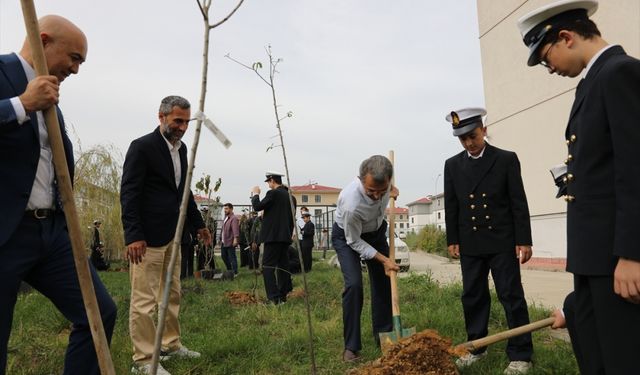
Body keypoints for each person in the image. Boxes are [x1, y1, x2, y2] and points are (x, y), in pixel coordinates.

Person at [517, 1, 640, 373]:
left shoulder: (619, 73)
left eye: (544, 57)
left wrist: (633, 254)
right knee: (595, 353)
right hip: (594, 258)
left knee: (623, 358)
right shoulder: (593, 81)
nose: (548, 68)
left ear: (566, 37)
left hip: (617, 258)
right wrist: (575, 302)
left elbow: (634, 169)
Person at [0, 15, 117, 375]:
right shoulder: (6, 76)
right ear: (43, 40)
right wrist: (20, 104)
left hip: (50, 234)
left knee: (98, 312)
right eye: (75, 58)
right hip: (5, 233)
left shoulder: (51, 98)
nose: (76, 69)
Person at [121, 95, 212, 375]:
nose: (183, 127)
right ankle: (145, 359)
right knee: (144, 300)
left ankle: (171, 345)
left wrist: (198, 224)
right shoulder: (142, 148)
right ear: (161, 117)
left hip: (173, 236)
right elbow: (129, 193)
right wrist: (133, 235)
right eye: (177, 121)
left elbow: (183, 192)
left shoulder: (181, 150)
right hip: (146, 239)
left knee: (172, 294)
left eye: (186, 121)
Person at [443, 108, 534, 374]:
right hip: (470, 241)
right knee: (472, 296)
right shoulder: (452, 165)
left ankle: (521, 354)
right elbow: (452, 206)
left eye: (472, 136)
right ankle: (476, 347)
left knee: (511, 295)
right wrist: (453, 239)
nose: (469, 143)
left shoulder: (505, 159)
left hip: (502, 240)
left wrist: (524, 240)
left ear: (483, 129)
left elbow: (518, 202)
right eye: (463, 139)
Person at [332, 155, 400, 362]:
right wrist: (383, 258)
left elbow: (387, 192)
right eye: (371, 191)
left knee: (383, 281)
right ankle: (351, 347)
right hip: (348, 237)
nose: (377, 197)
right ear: (361, 180)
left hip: (376, 232)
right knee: (354, 285)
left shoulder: (385, 183)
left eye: (382, 191)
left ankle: (384, 336)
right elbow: (354, 242)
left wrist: (393, 192)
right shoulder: (351, 203)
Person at [250, 171, 297, 305]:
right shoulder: (289, 196)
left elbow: (257, 206)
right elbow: (290, 218)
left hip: (273, 237)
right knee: (282, 266)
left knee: (268, 267)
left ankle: (274, 298)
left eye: (268, 182)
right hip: (284, 237)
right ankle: (283, 296)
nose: (268, 185)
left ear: (272, 180)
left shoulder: (273, 193)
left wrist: (256, 194)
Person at [220, 203, 239, 275]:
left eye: (226, 208)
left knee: (232, 257)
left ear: (231, 209)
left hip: (230, 241)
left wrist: (235, 239)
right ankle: (230, 270)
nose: (225, 210)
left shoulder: (233, 218)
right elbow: (223, 229)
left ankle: (235, 272)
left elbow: (235, 230)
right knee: (223, 256)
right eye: (224, 209)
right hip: (223, 241)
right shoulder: (225, 217)